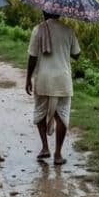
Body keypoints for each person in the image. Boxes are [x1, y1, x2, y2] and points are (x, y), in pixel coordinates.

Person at [25, 12, 82, 165]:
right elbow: (77, 54)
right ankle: (58, 154)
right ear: (60, 12)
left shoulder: (38, 29)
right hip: (63, 81)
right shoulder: (68, 30)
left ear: (43, 12)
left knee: (40, 113)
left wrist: (28, 78)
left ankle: (45, 147)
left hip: (43, 79)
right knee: (62, 116)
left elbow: (32, 57)